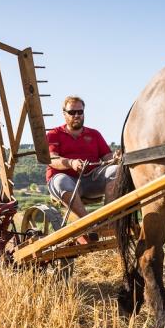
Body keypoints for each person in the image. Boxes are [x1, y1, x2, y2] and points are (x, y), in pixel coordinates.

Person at [46, 96, 118, 231]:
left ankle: (110, 219)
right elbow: (52, 159)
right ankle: (89, 224)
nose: (77, 115)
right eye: (72, 112)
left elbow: (107, 156)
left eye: (80, 112)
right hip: (66, 182)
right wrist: (71, 163)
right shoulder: (53, 134)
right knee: (61, 181)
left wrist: (115, 157)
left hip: (91, 179)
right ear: (64, 114)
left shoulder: (94, 134)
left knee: (116, 170)